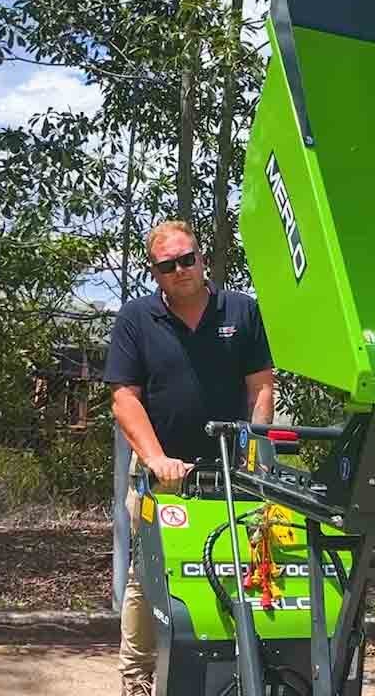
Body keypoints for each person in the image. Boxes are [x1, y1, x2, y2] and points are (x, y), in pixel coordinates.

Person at [102, 220, 275, 696]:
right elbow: (124, 398)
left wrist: (255, 450)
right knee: (149, 574)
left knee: (237, 564)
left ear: (202, 259)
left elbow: (261, 386)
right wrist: (156, 459)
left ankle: (234, 669)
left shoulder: (241, 311)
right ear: (154, 273)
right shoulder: (136, 319)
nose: (181, 270)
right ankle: (137, 677)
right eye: (168, 265)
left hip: (232, 471)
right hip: (165, 475)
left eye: (187, 258)